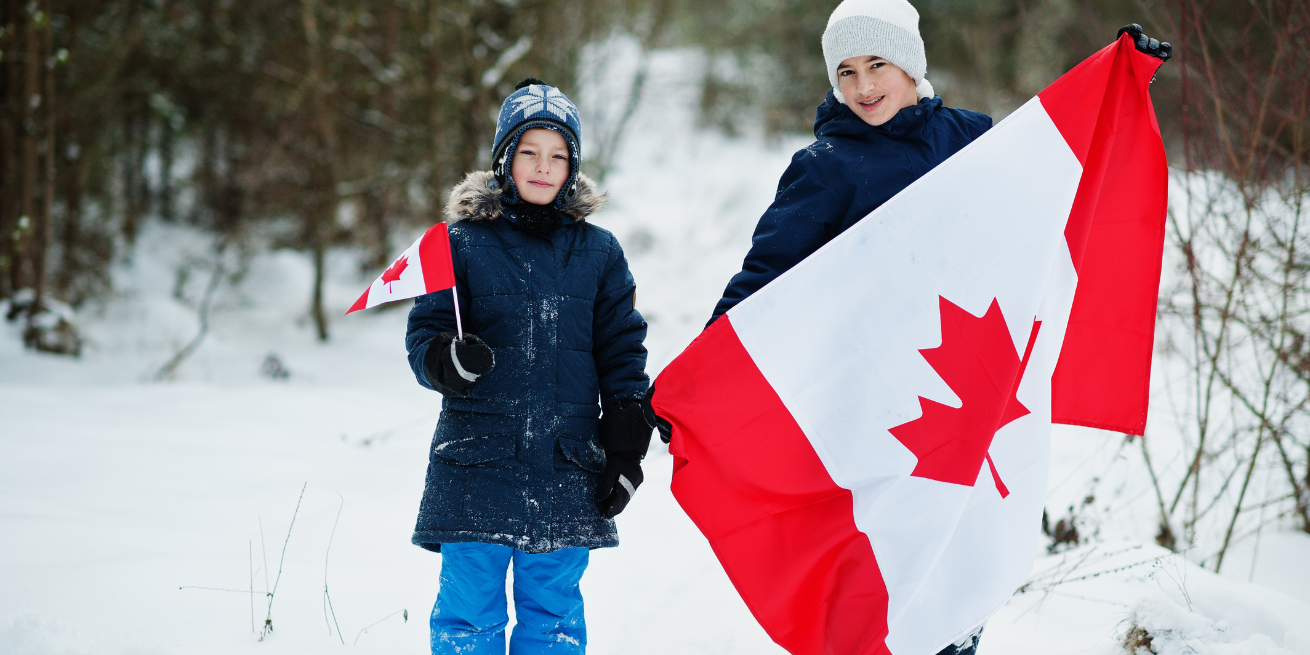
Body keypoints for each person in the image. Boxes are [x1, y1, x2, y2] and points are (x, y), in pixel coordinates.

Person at [406, 78, 653, 655]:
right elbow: (426, 335)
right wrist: (448, 360)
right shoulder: (460, 243)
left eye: (558, 155)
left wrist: (624, 444)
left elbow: (622, 348)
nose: (543, 168)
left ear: (573, 165)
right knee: (469, 616)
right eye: (529, 152)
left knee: (554, 617)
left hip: (566, 465)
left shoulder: (599, 252)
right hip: (475, 464)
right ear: (503, 159)